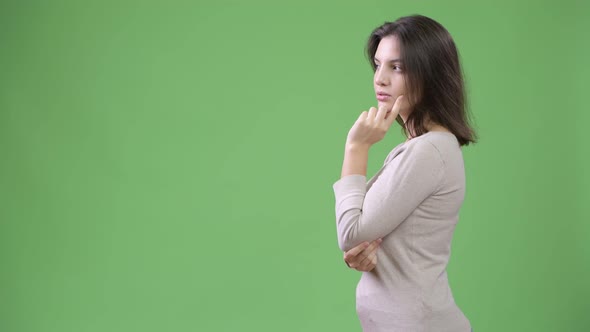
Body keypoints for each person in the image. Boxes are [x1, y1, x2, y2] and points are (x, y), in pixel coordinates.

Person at [332, 14, 476, 332]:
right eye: (378, 64)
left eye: (397, 67)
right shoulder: (420, 147)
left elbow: (350, 232)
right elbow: (361, 238)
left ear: (431, 75)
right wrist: (362, 252)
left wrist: (355, 148)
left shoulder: (430, 150)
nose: (380, 79)